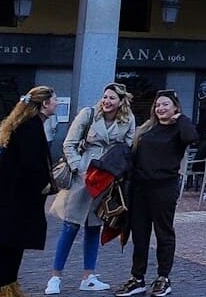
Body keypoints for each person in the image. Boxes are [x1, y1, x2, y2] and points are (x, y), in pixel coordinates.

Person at [45, 83, 136, 295]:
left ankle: (88, 276)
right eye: (105, 97)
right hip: (83, 176)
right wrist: (78, 168)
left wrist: (118, 172)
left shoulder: (128, 119)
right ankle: (55, 276)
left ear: (121, 101)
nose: (107, 101)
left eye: (112, 98)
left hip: (106, 177)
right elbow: (69, 143)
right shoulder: (88, 114)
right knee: (71, 226)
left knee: (94, 227)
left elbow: (128, 149)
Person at [0, 86, 57, 297]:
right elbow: (31, 163)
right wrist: (43, 182)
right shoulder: (30, 127)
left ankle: (9, 285)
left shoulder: (29, 125)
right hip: (16, 196)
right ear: (44, 103)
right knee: (9, 242)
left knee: (12, 242)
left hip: (14, 194)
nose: (57, 103)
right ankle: (4, 287)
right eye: (54, 100)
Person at [116, 89, 198, 297]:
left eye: (166, 105)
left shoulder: (179, 128)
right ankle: (137, 278)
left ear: (175, 108)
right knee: (140, 234)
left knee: (163, 233)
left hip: (164, 187)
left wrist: (181, 119)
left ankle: (163, 277)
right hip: (140, 188)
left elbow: (192, 137)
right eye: (158, 105)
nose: (161, 108)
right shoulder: (147, 129)